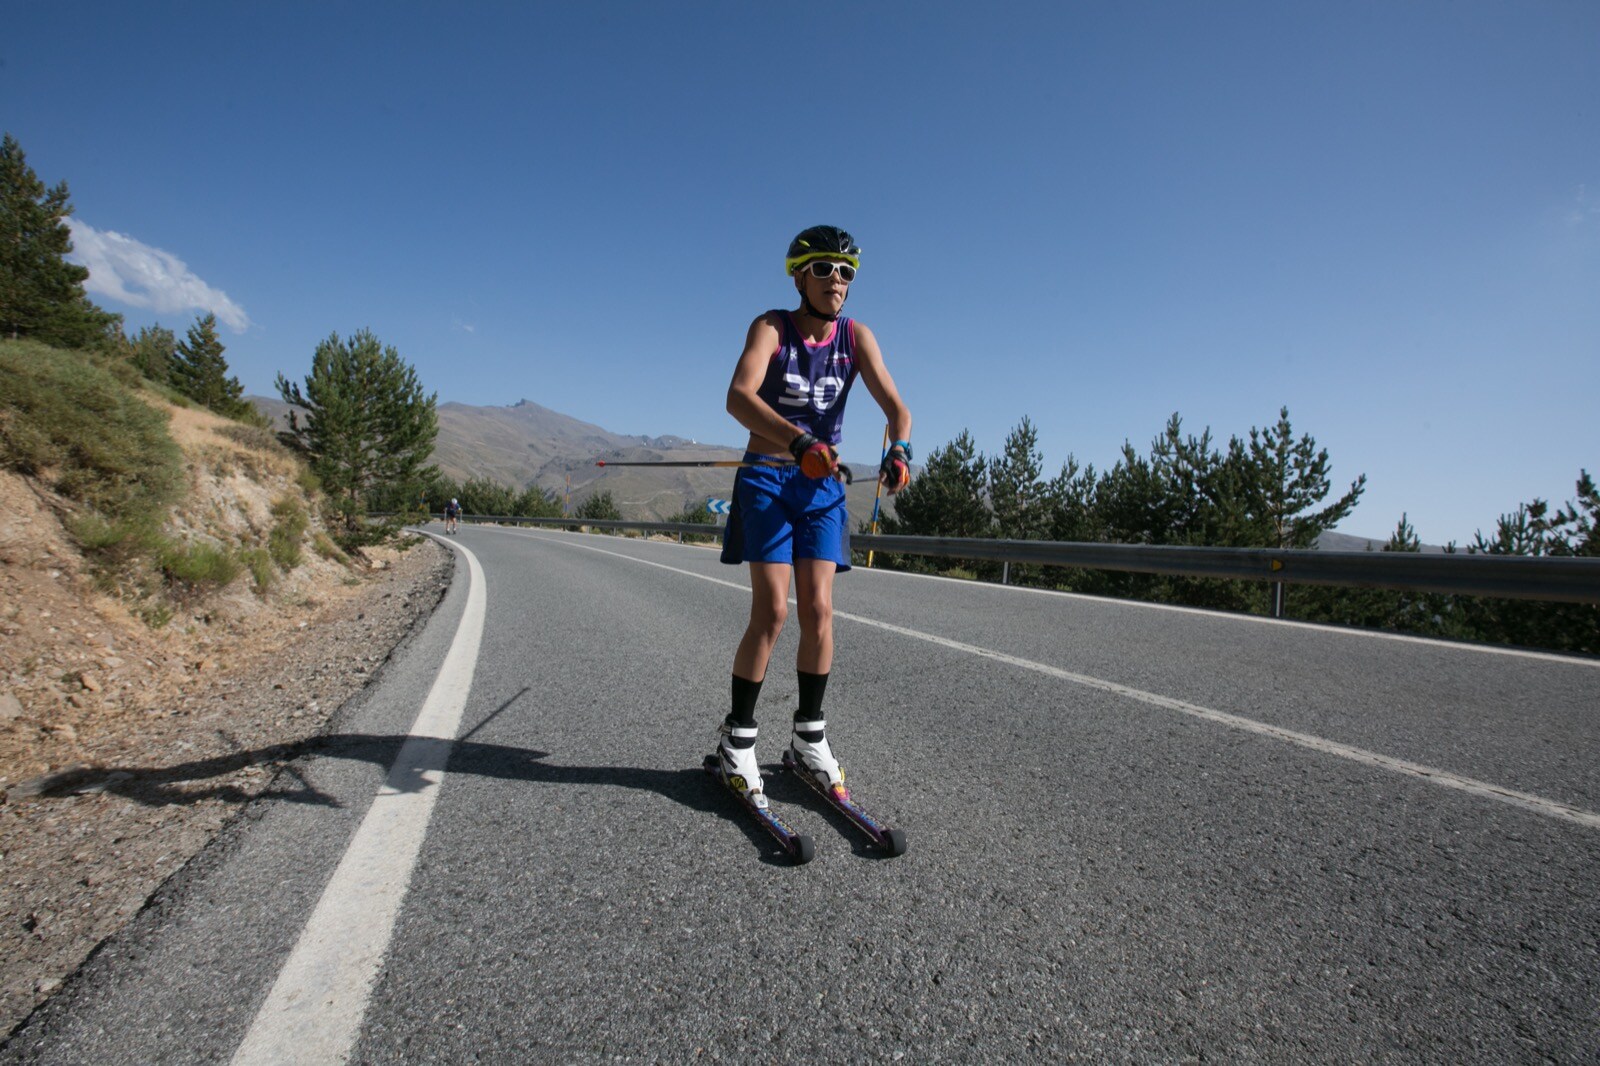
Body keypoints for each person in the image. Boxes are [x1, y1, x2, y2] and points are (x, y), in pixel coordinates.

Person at [716, 225, 912, 808]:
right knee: (773, 611)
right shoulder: (771, 327)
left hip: (822, 487)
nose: (839, 282)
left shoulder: (857, 337)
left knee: (820, 612)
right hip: (769, 478)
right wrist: (799, 442)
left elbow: (897, 408)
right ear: (799, 274)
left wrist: (896, 450)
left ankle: (809, 737)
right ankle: (739, 740)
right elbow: (738, 397)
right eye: (826, 269)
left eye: (848, 272)